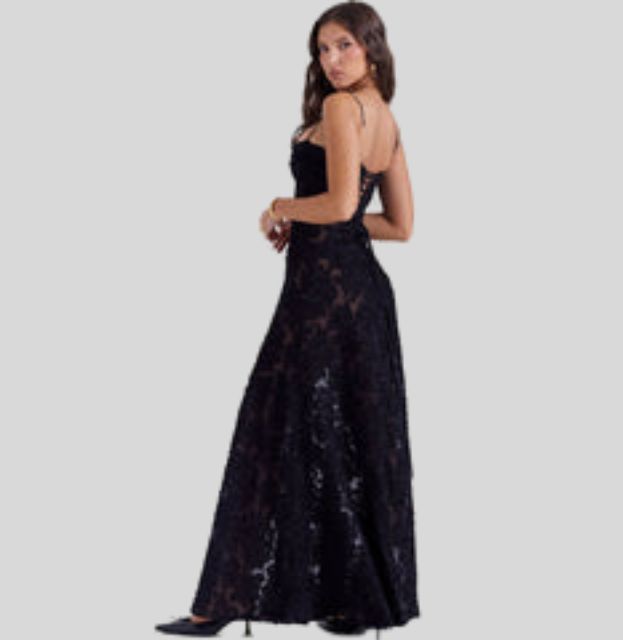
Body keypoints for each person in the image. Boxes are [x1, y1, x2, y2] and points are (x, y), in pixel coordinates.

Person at [155, 2, 418, 637]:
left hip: (321, 300)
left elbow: (339, 204)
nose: (331, 60)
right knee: (339, 436)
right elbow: (393, 224)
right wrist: (314, 225)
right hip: (361, 298)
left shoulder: (342, 108)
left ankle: (219, 604)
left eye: (344, 45)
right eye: (322, 49)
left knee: (270, 429)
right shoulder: (385, 118)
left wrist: (280, 207)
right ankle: (351, 603)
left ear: (372, 46)